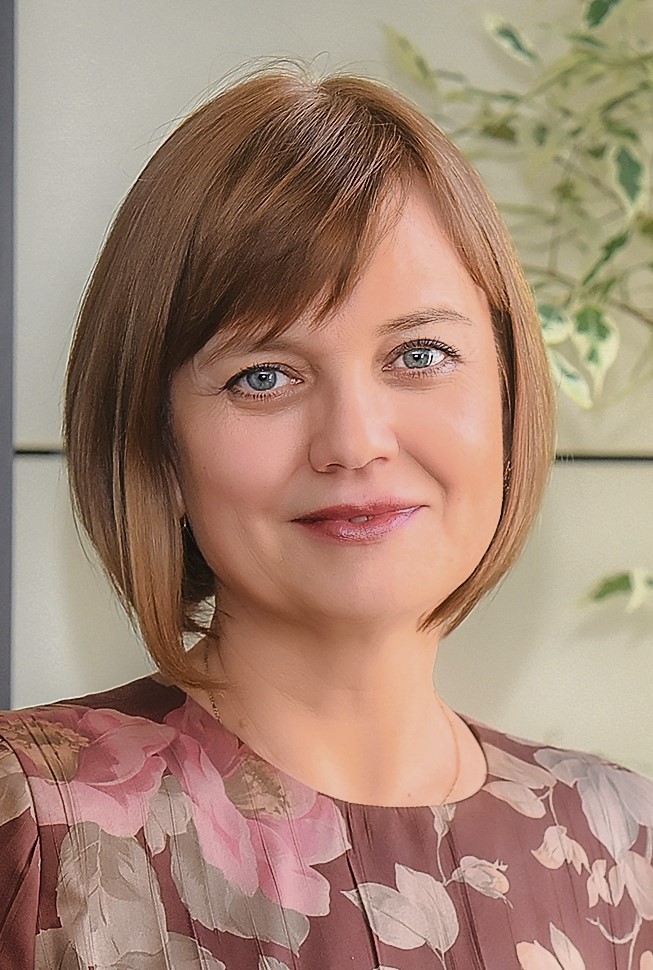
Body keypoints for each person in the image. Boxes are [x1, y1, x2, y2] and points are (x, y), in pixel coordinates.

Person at [1, 67, 652, 970]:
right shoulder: (28, 825)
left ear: (508, 396)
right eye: (262, 376)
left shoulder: (622, 845)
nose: (354, 442)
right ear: (158, 446)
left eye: (419, 355)